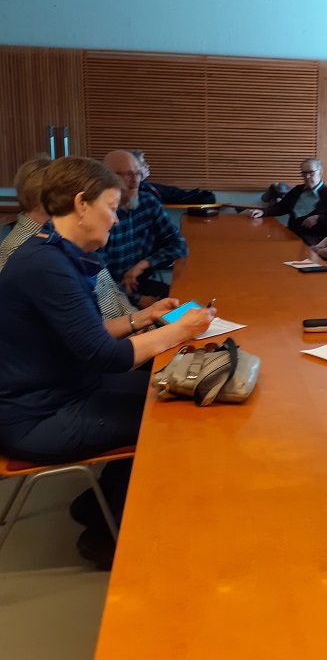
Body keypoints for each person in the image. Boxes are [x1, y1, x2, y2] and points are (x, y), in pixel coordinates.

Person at [0, 156, 215, 569]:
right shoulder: (46, 266)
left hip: (63, 390)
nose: (116, 220)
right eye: (112, 208)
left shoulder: (50, 250)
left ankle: (98, 505)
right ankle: (104, 536)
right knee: (170, 416)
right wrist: (180, 331)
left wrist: (143, 318)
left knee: (164, 391)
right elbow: (106, 355)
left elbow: (89, 332)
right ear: (81, 204)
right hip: (37, 416)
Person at [0, 156, 139, 322]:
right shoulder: (27, 252)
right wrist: (136, 326)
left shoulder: (65, 241)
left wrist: (140, 320)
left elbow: (111, 292)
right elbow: (84, 328)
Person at [99, 150, 188, 302]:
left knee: (185, 301)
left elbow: (179, 244)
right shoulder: (99, 215)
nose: (135, 180)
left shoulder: (148, 203)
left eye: (138, 173)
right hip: (108, 296)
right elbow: (97, 279)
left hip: (138, 284)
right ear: (107, 178)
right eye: (128, 174)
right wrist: (138, 300)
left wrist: (143, 264)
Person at [245, 158, 327, 246]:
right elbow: (281, 207)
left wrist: (318, 218)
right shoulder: (298, 190)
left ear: (320, 172)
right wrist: (263, 212)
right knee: (263, 241)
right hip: (291, 231)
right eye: (304, 173)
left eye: (311, 173)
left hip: (311, 237)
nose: (307, 177)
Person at [130, 149, 215, 205]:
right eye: (143, 164)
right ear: (134, 169)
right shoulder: (142, 193)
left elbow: (175, 194)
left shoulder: (148, 186)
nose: (147, 166)